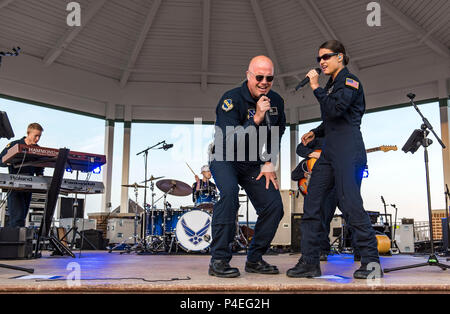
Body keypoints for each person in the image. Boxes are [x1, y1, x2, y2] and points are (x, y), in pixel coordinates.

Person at [287, 40, 382, 279]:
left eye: (326, 57)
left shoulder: (350, 82)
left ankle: (371, 263)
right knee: (312, 203)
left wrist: (316, 87)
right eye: (319, 58)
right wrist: (316, 133)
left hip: (348, 150)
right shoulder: (332, 85)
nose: (321, 62)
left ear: (340, 57)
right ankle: (309, 262)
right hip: (329, 151)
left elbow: (336, 111)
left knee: (350, 205)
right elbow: (330, 120)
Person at [208, 55, 286, 278]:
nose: (264, 82)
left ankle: (254, 259)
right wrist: (256, 119)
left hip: (252, 161)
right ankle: (219, 261)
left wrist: (269, 162)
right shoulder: (230, 100)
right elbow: (230, 140)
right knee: (230, 196)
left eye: (269, 78)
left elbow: (276, 134)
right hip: (224, 157)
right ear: (248, 76)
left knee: (274, 206)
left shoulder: (277, 101)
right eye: (259, 77)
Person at [294, 139, 360, 262]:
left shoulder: (343, 135)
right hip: (327, 189)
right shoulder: (316, 139)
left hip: (341, 185)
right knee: (323, 220)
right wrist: (314, 155)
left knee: (353, 216)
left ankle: (360, 250)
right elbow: (299, 150)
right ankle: (323, 250)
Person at [0, 123, 44, 227]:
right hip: (15, 186)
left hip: (29, 187)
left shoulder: (38, 149)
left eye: (39, 136)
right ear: (28, 133)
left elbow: (40, 167)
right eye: (35, 136)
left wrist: (40, 175)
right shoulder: (14, 145)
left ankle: (17, 240)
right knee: (17, 218)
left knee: (22, 217)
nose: (37, 139)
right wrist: (9, 161)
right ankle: (14, 242)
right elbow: (0, 160)